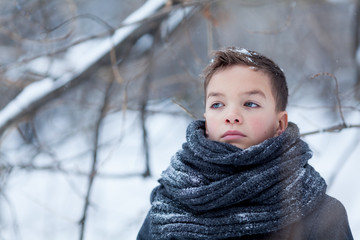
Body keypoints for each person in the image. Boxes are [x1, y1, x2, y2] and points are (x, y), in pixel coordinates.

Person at [137, 47, 353, 239]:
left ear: (280, 123)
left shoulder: (321, 216)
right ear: (205, 117)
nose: (231, 115)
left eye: (250, 103)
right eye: (217, 104)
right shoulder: (167, 208)